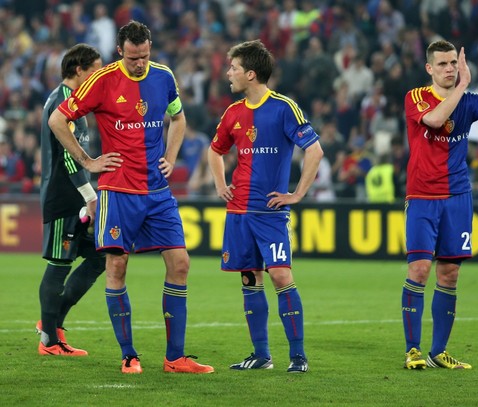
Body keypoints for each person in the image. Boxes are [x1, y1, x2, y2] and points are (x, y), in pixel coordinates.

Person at [47, 20, 214, 375]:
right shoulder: (101, 81)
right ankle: (128, 355)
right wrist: (89, 161)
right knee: (117, 266)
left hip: (157, 191)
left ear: (150, 48)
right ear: (120, 51)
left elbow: (179, 119)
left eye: (145, 56)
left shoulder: (164, 77)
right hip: (118, 191)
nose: (140, 63)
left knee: (181, 263)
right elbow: (58, 121)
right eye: (134, 57)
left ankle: (176, 358)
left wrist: (170, 155)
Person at [207, 39, 323, 373]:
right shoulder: (232, 113)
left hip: (270, 212)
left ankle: (298, 356)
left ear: (252, 74)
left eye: (234, 68)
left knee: (281, 275)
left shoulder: (284, 108)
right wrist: (219, 183)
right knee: (249, 278)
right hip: (239, 210)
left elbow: (314, 151)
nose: (229, 73)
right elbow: (215, 151)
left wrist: (297, 194)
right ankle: (261, 354)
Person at [402, 40, 478, 370]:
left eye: (454, 63)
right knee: (420, 269)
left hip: (457, 197)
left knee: (449, 274)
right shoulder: (415, 97)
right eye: (443, 64)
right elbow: (435, 121)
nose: (450, 68)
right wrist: (464, 84)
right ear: (430, 69)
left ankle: (438, 352)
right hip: (422, 195)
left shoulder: (469, 101)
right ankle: (412, 350)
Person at [36, 44, 105, 357]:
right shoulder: (63, 102)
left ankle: (52, 323)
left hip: (76, 196)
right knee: (59, 264)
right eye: (96, 69)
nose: (100, 74)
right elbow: (67, 156)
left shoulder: (76, 102)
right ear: (79, 70)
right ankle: (49, 341)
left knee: (100, 256)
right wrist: (90, 195)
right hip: (64, 198)